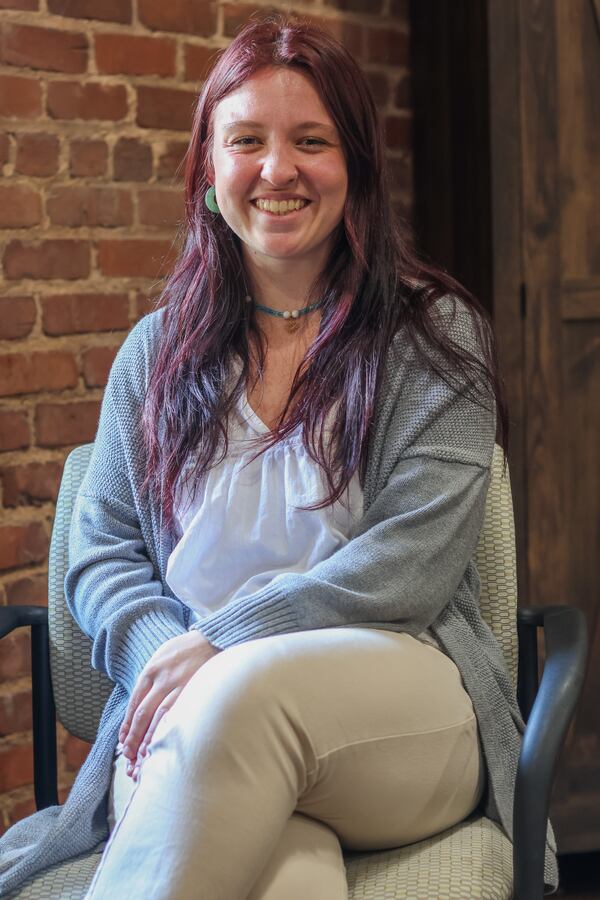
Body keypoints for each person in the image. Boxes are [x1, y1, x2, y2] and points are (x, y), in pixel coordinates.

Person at [0, 13, 557, 899]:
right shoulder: (154, 353)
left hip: (398, 708)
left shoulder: (433, 337)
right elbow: (102, 549)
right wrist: (166, 654)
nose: (277, 169)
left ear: (357, 168)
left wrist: (223, 642)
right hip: (182, 705)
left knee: (239, 700)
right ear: (210, 170)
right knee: (287, 874)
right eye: (247, 140)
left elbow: (407, 565)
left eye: (311, 141)